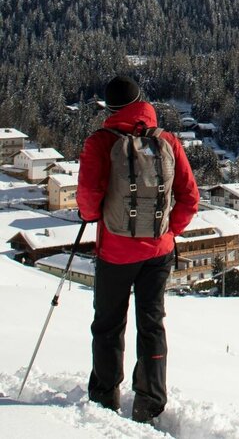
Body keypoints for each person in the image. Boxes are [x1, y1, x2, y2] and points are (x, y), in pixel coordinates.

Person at [77, 76, 200, 424]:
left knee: (108, 325)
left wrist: (92, 215)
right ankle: (150, 402)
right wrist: (169, 230)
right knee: (152, 325)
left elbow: (87, 200)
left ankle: (104, 398)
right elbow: (190, 197)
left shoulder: (100, 142)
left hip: (115, 253)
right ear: (141, 102)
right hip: (158, 253)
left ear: (110, 108)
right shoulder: (167, 141)